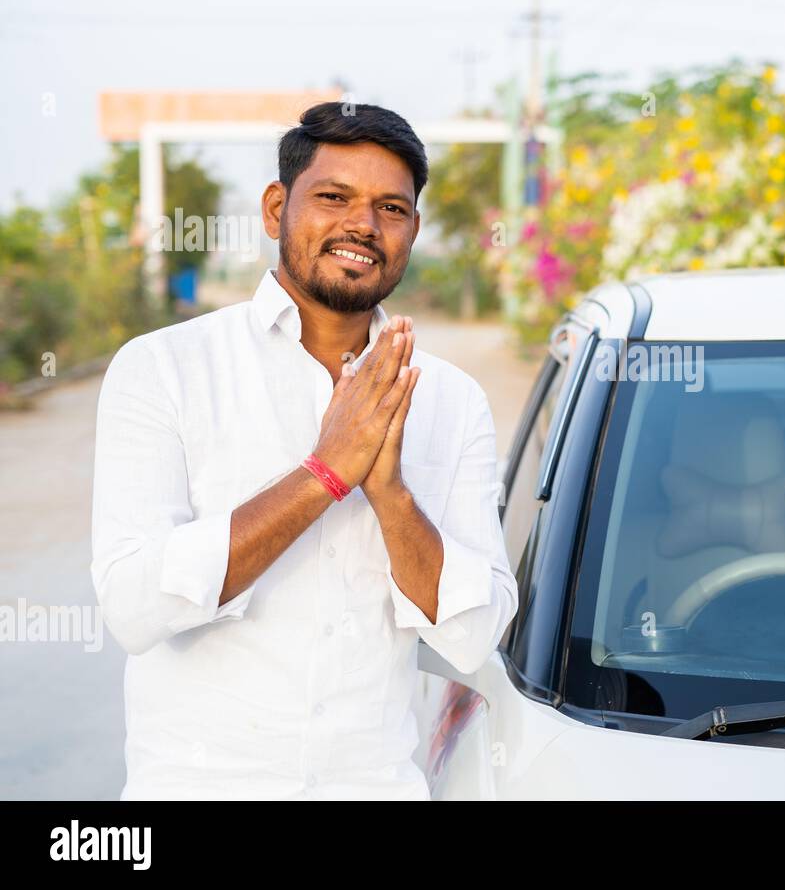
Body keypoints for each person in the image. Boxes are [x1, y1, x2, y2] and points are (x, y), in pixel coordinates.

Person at [90, 102, 517, 799]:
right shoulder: (163, 368)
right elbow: (135, 608)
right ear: (275, 208)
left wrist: (390, 496)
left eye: (391, 208)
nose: (363, 225)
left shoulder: (450, 398)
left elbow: (472, 638)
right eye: (334, 197)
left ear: (413, 230)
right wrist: (323, 474)